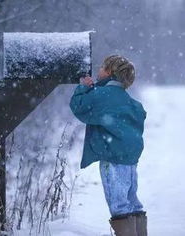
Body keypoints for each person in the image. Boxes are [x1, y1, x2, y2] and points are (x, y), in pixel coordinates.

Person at [69, 55, 147, 236]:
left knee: (118, 205)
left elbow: (79, 108)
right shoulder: (126, 98)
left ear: (110, 72)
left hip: (112, 157)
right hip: (129, 157)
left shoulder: (102, 95)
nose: (98, 70)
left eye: (102, 67)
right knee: (131, 200)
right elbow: (139, 113)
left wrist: (83, 88)